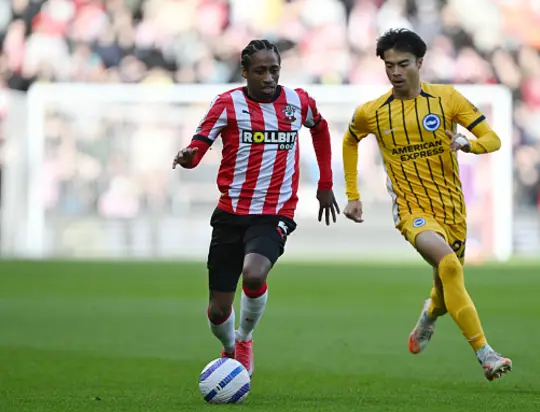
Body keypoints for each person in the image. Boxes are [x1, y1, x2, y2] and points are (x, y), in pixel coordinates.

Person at [341, 29, 512, 381]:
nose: (396, 72)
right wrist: (353, 195)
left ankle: (429, 315)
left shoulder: (447, 99)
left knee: (445, 284)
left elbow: (492, 139)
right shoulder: (372, 112)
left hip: (452, 209)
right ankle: (486, 353)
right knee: (449, 265)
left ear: (420, 63)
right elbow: (350, 141)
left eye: (403, 64)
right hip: (412, 210)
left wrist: (468, 145)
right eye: (389, 66)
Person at [173, 39, 339, 377]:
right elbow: (198, 147)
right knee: (218, 311)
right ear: (245, 72)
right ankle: (230, 345)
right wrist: (189, 157)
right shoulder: (227, 104)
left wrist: (325, 185)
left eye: (274, 70)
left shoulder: (297, 102)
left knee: (254, 272)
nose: (268, 78)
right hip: (231, 213)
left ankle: (245, 339)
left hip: (275, 212)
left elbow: (320, 130)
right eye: (260, 71)